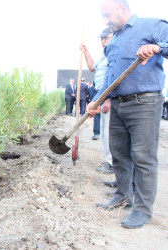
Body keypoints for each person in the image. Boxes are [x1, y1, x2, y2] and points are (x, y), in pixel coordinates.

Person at [87, 0, 168, 229]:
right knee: (120, 154)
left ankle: (142, 210)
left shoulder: (151, 26)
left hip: (145, 102)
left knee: (143, 157)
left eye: (107, 15)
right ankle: (123, 195)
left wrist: (157, 48)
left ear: (122, 9)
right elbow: (112, 77)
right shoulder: (116, 41)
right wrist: (97, 99)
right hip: (119, 104)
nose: (105, 20)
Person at [81, 27, 114, 169]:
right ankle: (110, 160)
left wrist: (108, 99)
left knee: (109, 131)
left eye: (106, 37)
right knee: (104, 130)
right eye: (101, 38)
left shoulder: (115, 53)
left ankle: (112, 163)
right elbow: (92, 67)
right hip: (100, 94)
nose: (103, 41)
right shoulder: (103, 55)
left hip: (108, 95)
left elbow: (115, 77)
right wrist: (86, 52)